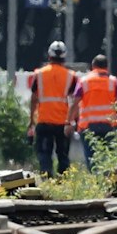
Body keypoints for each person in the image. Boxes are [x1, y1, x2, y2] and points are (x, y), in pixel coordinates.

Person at [28, 41, 80, 175]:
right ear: (64, 57)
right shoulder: (71, 76)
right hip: (63, 123)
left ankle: (47, 179)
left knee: (44, 155)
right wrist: (74, 121)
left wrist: (31, 121)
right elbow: (75, 101)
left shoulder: (39, 74)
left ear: (49, 56)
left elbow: (34, 99)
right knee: (63, 156)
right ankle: (63, 184)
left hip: (44, 121)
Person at [76, 53, 117, 170]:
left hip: (88, 127)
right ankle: (107, 180)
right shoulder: (114, 82)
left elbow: (74, 102)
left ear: (93, 66)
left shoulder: (84, 81)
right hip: (109, 126)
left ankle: (96, 181)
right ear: (107, 67)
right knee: (108, 158)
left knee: (91, 159)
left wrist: (69, 122)